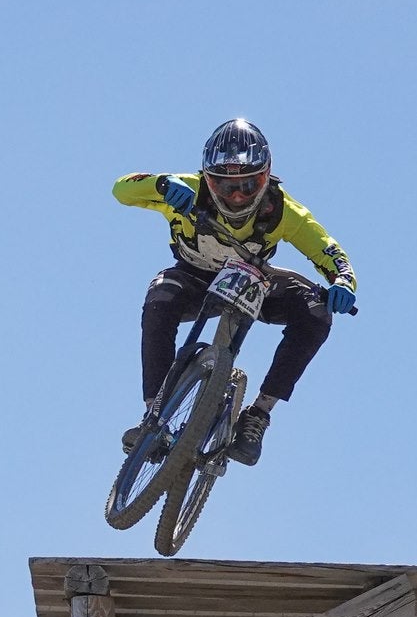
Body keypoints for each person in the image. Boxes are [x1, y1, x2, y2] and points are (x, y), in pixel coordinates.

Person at [112, 118, 357, 466]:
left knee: (317, 312)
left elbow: (329, 251)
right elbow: (122, 189)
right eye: (225, 187)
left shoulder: (284, 210)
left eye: (248, 184)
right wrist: (163, 185)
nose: (238, 196)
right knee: (158, 299)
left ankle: (258, 415)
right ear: (207, 180)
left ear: (266, 176)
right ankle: (153, 416)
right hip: (193, 278)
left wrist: (343, 282)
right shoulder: (186, 189)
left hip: (254, 279)